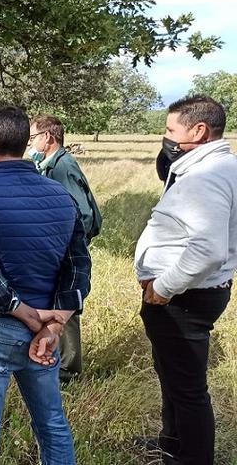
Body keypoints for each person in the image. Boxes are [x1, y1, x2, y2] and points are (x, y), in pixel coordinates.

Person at [0, 106, 91, 465]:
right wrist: (55, 322)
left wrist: (30, 317)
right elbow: (79, 267)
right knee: (52, 424)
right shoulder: (61, 196)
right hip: (45, 334)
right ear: (23, 143)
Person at [134, 95, 235, 465]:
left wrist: (163, 287)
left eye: (170, 130)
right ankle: (171, 442)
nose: (166, 138)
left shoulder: (207, 176)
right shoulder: (215, 167)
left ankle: (192, 457)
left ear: (199, 130)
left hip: (185, 297)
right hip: (189, 294)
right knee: (173, 375)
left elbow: (208, 249)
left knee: (189, 389)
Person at [28, 115, 102, 382]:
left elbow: (80, 213)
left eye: (33, 137)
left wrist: (61, 242)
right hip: (56, 247)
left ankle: (68, 371)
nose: (30, 143)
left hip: (65, 249)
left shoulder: (62, 167)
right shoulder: (48, 164)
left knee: (65, 302)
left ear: (48, 137)